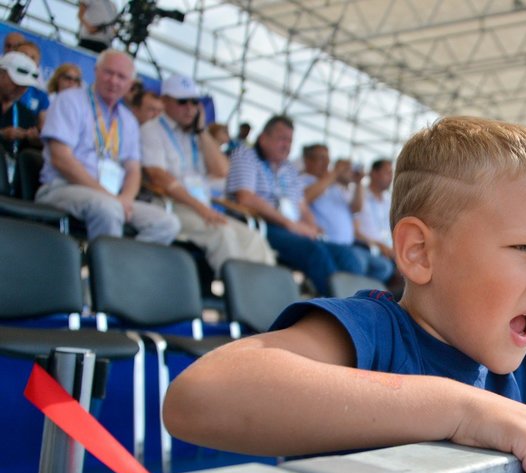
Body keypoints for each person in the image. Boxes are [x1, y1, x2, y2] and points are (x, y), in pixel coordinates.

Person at [164, 116, 526, 473]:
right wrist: (463, 409)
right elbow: (200, 396)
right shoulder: (373, 334)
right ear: (420, 252)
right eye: (525, 249)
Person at [36, 50, 179, 244]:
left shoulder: (128, 120)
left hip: (112, 197)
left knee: (166, 223)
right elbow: (61, 158)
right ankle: (104, 272)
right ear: (95, 71)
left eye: (121, 77)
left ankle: (124, 268)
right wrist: (110, 197)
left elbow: (133, 169)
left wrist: (126, 199)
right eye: (108, 73)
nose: (114, 81)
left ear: (130, 84)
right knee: (108, 208)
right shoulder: (70, 100)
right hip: (63, 187)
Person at [140, 74, 274, 273]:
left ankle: (264, 298)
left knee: (254, 239)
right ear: (165, 101)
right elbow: (159, 176)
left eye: (195, 102)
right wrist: (202, 209)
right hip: (172, 205)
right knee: (223, 233)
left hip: (202, 208)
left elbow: (222, 171)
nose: (190, 108)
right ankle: (237, 296)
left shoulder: (195, 135)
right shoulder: (151, 130)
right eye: (182, 101)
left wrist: (202, 130)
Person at [224, 115, 359, 296]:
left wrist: (311, 226)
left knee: (346, 255)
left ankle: (357, 303)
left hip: (290, 229)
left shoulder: (288, 169)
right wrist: (290, 224)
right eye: (282, 139)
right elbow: (245, 197)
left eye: (290, 140)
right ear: (264, 138)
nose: (286, 145)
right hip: (262, 225)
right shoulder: (246, 155)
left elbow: (302, 207)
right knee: (314, 252)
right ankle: (338, 309)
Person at [301, 145, 394, 283]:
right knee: (355, 265)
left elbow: (356, 208)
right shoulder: (305, 180)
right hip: (328, 244)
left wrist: (357, 183)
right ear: (307, 160)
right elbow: (306, 196)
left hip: (348, 246)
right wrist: (335, 173)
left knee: (383, 268)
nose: (326, 163)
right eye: (321, 158)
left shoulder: (336, 188)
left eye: (327, 158)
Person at [0, 51, 42, 174]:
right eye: (17, 82)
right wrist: (2, 134)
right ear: (1, 74)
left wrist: (35, 142)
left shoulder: (26, 115)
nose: (21, 89)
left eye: (26, 85)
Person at [356, 158, 395, 260]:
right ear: (374, 173)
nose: (391, 178)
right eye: (387, 173)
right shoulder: (358, 195)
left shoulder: (389, 200)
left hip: (389, 252)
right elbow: (355, 231)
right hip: (366, 249)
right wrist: (379, 246)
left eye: (392, 173)